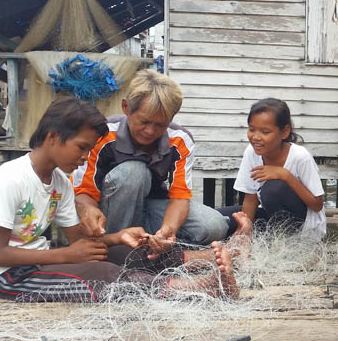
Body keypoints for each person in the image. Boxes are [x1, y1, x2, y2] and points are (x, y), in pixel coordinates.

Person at [0, 97, 249, 302]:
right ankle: (200, 288)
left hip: (39, 259)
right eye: (81, 148)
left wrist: (118, 237)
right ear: (53, 137)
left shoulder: (60, 183)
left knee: (123, 254)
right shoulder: (10, 179)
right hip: (8, 277)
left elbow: (79, 243)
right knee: (106, 273)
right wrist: (64, 256)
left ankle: (211, 258)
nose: (86, 157)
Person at [72, 69, 228, 259]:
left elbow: (180, 196)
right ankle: (117, 253)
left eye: (160, 125)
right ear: (126, 108)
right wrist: (89, 211)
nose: (150, 131)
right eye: (144, 122)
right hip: (110, 213)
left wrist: (168, 229)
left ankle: (153, 244)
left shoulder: (180, 140)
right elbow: (83, 192)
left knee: (214, 225)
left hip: (151, 209)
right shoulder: (102, 134)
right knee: (134, 171)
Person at [228, 98, 326, 240]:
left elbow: (317, 205)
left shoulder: (300, 157)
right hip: (270, 216)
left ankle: (283, 247)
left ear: (285, 132)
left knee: (273, 189)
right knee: (222, 219)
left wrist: (285, 175)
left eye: (265, 132)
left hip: (305, 229)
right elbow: (251, 198)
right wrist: (244, 232)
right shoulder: (251, 152)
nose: (256, 137)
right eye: (251, 129)